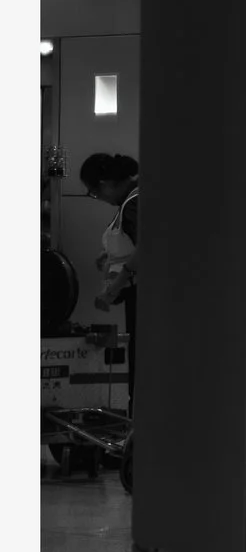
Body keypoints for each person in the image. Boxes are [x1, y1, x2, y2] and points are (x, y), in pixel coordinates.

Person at [80, 152, 139, 401]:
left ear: (104, 184)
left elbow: (147, 250)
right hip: (137, 295)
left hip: (144, 296)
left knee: (142, 363)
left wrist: (113, 289)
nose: (99, 198)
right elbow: (129, 243)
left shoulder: (134, 202)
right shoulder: (129, 200)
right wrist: (109, 255)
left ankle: (139, 429)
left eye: (94, 192)